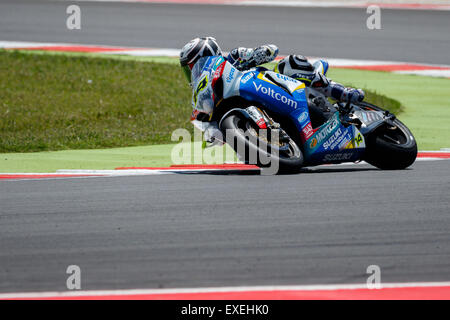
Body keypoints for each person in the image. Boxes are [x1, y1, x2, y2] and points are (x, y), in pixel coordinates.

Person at [179, 37, 365, 140]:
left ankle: (342, 92)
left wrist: (258, 54)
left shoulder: (233, 58)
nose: (193, 73)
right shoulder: (204, 93)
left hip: (276, 87)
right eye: (189, 70)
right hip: (258, 115)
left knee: (291, 64)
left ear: (208, 55)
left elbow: (271, 50)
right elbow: (208, 129)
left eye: (194, 65)